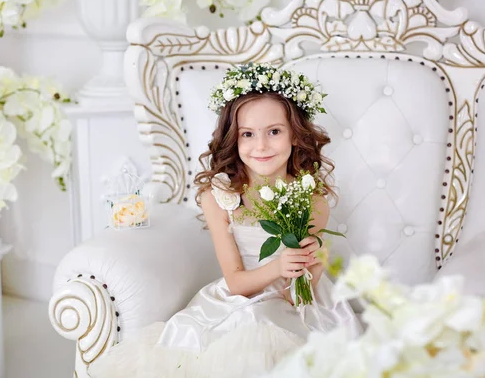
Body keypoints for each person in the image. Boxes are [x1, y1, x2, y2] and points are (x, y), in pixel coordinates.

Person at [89, 63, 361, 378]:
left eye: (274, 131)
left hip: (292, 305)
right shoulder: (219, 196)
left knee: (271, 337)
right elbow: (235, 282)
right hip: (239, 297)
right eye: (248, 134)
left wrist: (311, 269)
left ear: (295, 135)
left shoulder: (312, 200)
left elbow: (292, 295)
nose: (260, 145)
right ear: (234, 138)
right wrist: (277, 266)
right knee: (246, 330)